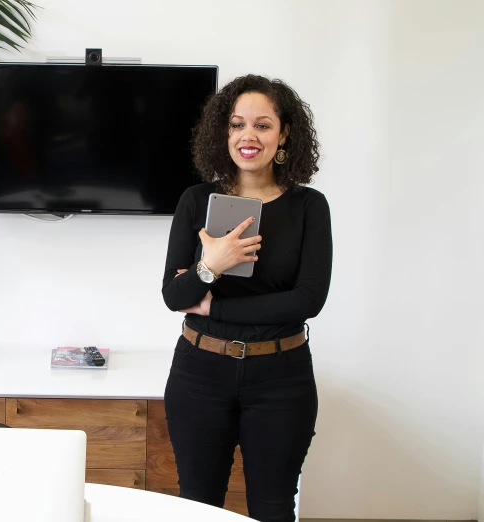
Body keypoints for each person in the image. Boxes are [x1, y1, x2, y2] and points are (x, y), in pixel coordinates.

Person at [161, 74, 333, 522]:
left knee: (273, 508)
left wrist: (214, 305)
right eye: (237, 124)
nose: (248, 136)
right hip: (200, 374)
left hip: (281, 377)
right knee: (198, 505)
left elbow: (307, 301)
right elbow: (174, 294)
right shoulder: (196, 201)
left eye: (262, 124)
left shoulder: (309, 207)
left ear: (284, 133)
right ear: (224, 132)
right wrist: (211, 264)